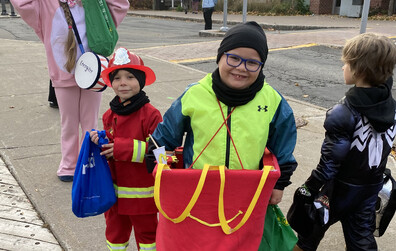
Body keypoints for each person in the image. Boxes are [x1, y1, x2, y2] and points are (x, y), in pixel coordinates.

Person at [146, 21, 298, 247]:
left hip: (246, 198)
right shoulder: (194, 94)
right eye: (234, 58)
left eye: (252, 63)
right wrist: (167, 175)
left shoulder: (273, 102)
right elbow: (161, 143)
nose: (241, 68)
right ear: (220, 57)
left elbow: (282, 148)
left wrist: (279, 184)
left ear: (261, 66)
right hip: (196, 197)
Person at [293, 33, 396, 251]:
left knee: (309, 233)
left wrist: (309, 187)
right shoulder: (392, 108)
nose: (343, 68)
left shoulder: (343, 113)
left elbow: (331, 162)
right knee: (362, 241)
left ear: (358, 69)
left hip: (338, 191)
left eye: (346, 63)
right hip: (370, 189)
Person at [10, 0, 130, 182]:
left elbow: (120, 5)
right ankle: (75, 164)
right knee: (75, 122)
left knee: (84, 122)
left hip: (89, 71)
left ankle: (81, 163)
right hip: (80, 69)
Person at [90, 47, 162, 251]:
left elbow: (161, 154)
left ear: (141, 80)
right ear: (110, 83)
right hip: (114, 195)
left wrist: (124, 148)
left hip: (143, 197)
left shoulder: (151, 115)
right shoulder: (108, 115)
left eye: (130, 76)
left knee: (148, 237)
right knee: (114, 235)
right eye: (117, 77)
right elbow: (109, 150)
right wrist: (99, 142)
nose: (123, 82)